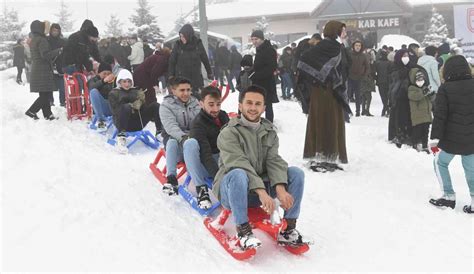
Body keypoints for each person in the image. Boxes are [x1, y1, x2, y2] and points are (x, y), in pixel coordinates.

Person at [213, 85, 309, 249]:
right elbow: (239, 163)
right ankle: (243, 231)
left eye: (258, 104)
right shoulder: (228, 133)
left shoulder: (269, 130)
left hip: (258, 192)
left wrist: (280, 188)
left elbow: (273, 160)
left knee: (296, 173)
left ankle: (289, 228)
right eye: (249, 103)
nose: (253, 108)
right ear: (240, 105)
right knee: (238, 173)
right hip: (233, 191)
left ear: (264, 108)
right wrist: (263, 192)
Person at [297, 20, 351, 171]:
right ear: (335, 31)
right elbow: (305, 61)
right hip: (327, 91)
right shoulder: (332, 46)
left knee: (325, 121)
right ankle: (324, 157)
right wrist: (324, 77)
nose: (345, 33)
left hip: (325, 91)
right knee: (328, 121)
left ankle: (326, 156)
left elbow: (304, 62)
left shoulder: (330, 46)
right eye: (343, 30)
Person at [429, 55, 474, 214]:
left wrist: (434, 139)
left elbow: (440, 115)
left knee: (440, 163)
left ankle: (448, 196)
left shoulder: (445, 88)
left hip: (452, 139)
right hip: (471, 139)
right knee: (471, 169)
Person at [183, 85, 229, 209]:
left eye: (218, 104)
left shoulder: (223, 116)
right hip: (203, 164)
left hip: (221, 160)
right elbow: (205, 155)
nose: (215, 109)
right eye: (211, 104)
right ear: (201, 104)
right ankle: (201, 189)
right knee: (190, 143)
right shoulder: (198, 123)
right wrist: (219, 179)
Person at [160, 77, 201, 194]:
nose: (186, 93)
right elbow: (171, 127)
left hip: (193, 139)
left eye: (188, 90)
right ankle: (172, 178)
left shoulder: (195, 103)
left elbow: (200, 122)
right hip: (175, 140)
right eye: (182, 90)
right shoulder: (166, 106)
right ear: (173, 91)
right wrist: (184, 138)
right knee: (172, 141)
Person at [108, 69, 162, 154]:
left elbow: (143, 111)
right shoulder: (114, 93)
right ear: (119, 82)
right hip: (123, 123)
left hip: (137, 122)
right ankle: (121, 138)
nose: (127, 84)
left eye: (129, 81)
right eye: (124, 81)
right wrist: (131, 106)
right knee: (126, 107)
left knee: (156, 105)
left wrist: (142, 102)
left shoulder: (135, 92)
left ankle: (159, 132)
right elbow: (115, 110)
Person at [25, 20, 62, 120]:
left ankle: (48, 114)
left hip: (38, 69)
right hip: (43, 70)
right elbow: (45, 55)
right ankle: (32, 110)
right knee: (45, 95)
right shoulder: (41, 40)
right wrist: (58, 51)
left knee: (45, 93)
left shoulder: (34, 39)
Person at [168, 24, 213, 95]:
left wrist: (209, 72)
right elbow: (172, 61)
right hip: (181, 78)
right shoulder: (178, 45)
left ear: (188, 35)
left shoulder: (198, 44)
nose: (181, 38)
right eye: (180, 36)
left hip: (195, 78)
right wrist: (171, 75)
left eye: (183, 36)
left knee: (196, 99)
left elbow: (205, 59)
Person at [249, 30, 278, 122]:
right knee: (258, 103)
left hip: (267, 82)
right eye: (252, 39)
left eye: (256, 39)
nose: (254, 41)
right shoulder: (260, 49)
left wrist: (256, 75)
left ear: (262, 39)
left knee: (267, 104)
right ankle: (258, 122)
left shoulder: (269, 50)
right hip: (259, 82)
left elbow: (271, 67)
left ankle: (269, 124)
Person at [388, 49, 415, 148]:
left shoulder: (412, 66)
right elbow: (393, 81)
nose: (406, 57)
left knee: (408, 116)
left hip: (409, 96)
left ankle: (408, 134)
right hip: (398, 96)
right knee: (398, 116)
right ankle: (398, 135)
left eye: (407, 55)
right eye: (403, 55)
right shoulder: (394, 67)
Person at [407, 67, 433, 153]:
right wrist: (423, 92)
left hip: (426, 114)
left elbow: (431, 100)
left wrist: (431, 94)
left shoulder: (425, 87)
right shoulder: (412, 88)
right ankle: (415, 143)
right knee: (417, 131)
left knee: (426, 131)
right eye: (418, 80)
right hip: (417, 115)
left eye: (422, 79)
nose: (420, 81)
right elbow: (415, 96)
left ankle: (425, 145)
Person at [87, 62, 115, 131]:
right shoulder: (93, 80)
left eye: (108, 74)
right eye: (104, 73)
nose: (106, 75)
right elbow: (91, 87)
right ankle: (101, 121)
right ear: (99, 73)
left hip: (113, 107)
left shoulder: (115, 81)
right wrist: (104, 81)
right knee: (93, 92)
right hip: (102, 108)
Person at [348, 40, 370, 116]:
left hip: (359, 79)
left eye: (359, 46)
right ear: (353, 46)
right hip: (350, 78)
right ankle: (347, 111)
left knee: (358, 96)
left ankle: (358, 112)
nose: (358, 47)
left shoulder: (363, 56)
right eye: (356, 45)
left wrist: (364, 75)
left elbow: (367, 67)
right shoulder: (349, 54)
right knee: (347, 95)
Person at [47, 23, 66, 107]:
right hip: (49, 66)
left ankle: (63, 101)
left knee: (62, 86)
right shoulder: (46, 40)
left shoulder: (62, 41)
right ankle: (50, 101)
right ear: (50, 30)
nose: (55, 32)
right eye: (54, 30)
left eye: (57, 31)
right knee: (49, 85)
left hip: (60, 66)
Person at [375, 50, 391, 117]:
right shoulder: (389, 63)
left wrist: (376, 78)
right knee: (387, 96)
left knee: (383, 96)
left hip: (380, 82)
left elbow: (374, 72)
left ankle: (385, 109)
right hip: (388, 82)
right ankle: (386, 109)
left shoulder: (377, 63)